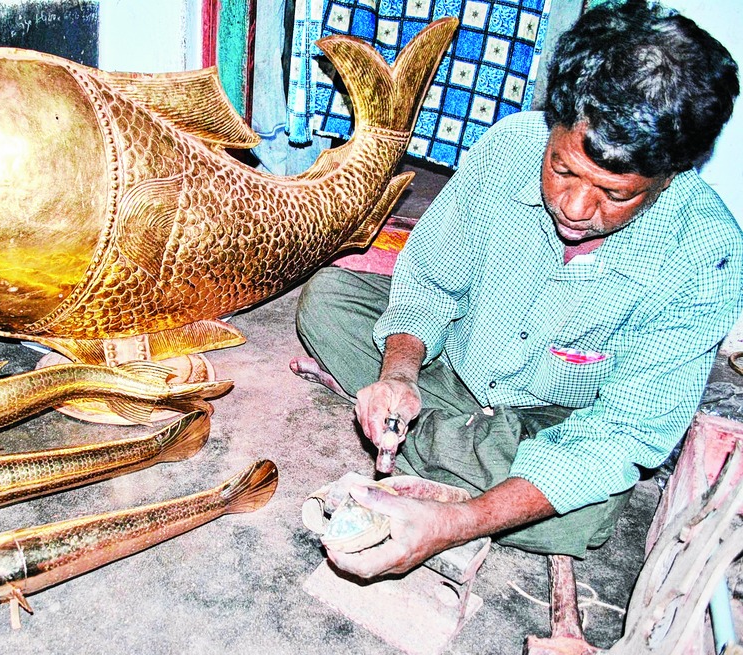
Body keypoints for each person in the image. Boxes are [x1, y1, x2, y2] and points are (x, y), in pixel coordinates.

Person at [291, 0, 742, 578]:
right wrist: (400, 374)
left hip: (550, 423)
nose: (575, 208)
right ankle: (452, 453)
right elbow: (429, 281)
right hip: (458, 366)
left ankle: (450, 470)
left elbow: (622, 433)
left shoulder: (708, 255)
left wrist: (455, 526)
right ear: (554, 124)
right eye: (562, 169)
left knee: (590, 512)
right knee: (329, 300)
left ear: (670, 176)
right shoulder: (509, 146)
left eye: (616, 194)